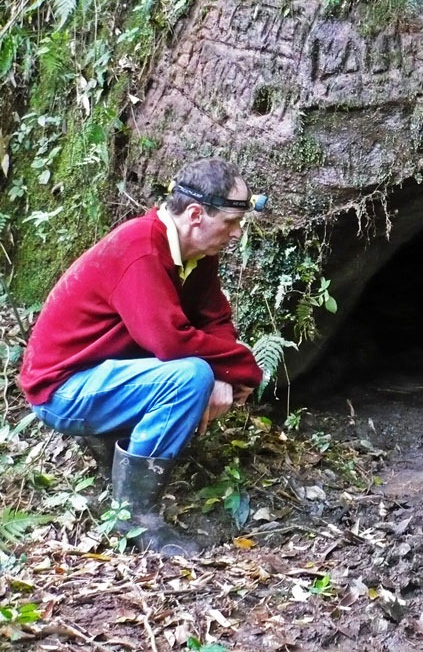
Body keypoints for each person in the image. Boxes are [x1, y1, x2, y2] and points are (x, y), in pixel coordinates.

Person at [18, 157, 264, 556]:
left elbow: (214, 316)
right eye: (231, 224)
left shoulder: (195, 254)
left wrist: (228, 374)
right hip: (60, 389)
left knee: (200, 371)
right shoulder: (140, 248)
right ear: (197, 215)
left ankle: (116, 452)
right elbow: (170, 342)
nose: (236, 234)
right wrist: (243, 368)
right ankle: (135, 519)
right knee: (190, 376)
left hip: (104, 374)